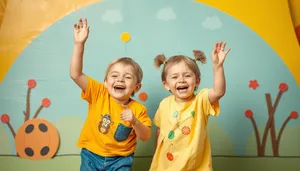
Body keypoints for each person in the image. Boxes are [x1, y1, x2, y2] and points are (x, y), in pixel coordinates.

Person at [70, 18, 152, 171]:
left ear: (137, 87)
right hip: (91, 155)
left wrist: (135, 122)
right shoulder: (99, 93)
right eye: (114, 76)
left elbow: (145, 136)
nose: (120, 79)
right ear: (106, 82)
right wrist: (79, 44)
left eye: (127, 77)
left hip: (121, 159)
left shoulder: (138, 109)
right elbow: (76, 74)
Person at [149, 42, 231, 171]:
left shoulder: (201, 100)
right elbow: (160, 130)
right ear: (166, 84)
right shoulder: (164, 104)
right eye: (174, 77)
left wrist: (217, 66)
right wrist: (156, 156)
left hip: (195, 166)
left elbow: (219, 91)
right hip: (166, 166)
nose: (181, 80)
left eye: (187, 75)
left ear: (197, 81)